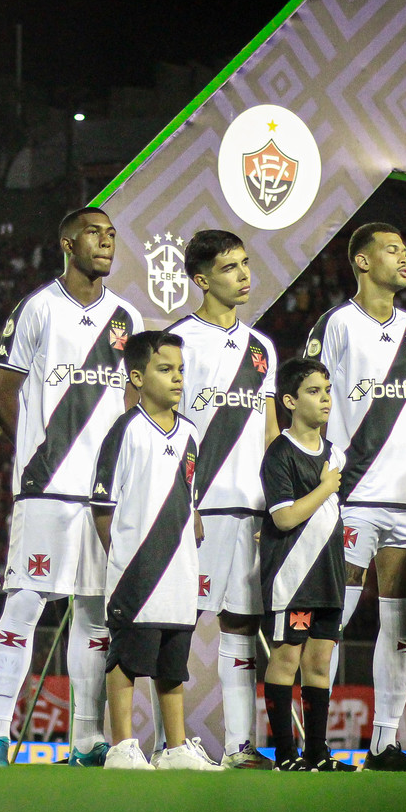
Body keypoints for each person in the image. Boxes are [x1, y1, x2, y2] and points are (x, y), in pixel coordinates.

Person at [0, 207, 141, 767]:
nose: (107, 242)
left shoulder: (126, 316)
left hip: (104, 494)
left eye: (112, 235)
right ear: (67, 242)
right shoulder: (38, 307)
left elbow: (130, 404)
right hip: (47, 486)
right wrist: (37, 452)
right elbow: (1, 391)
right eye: (95, 233)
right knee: (25, 602)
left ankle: (85, 738)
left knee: (95, 612)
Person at [305, 222, 406, 771]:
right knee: (333, 621)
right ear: (361, 261)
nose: (405, 257)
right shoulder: (336, 325)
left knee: (401, 628)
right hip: (352, 496)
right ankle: (316, 743)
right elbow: (311, 404)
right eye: (392, 249)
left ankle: (383, 742)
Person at [165, 229, 279, 768]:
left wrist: (276, 505)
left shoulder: (262, 348)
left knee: (240, 624)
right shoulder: (176, 343)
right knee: (179, 621)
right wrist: (178, 504)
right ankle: (172, 743)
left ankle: (239, 746)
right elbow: (160, 427)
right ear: (200, 279)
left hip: (252, 509)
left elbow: (273, 436)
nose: (244, 276)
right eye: (231, 267)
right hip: (197, 509)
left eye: (246, 264)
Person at [91, 330, 216, 771]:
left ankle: (175, 747)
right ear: (138, 377)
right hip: (137, 572)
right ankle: (122, 745)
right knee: (126, 659)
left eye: (181, 369)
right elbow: (103, 506)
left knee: (172, 663)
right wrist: (123, 560)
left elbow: (189, 498)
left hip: (180, 570)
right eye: (166, 370)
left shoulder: (191, 434)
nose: (178, 378)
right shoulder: (125, 431)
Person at [260, 359, 351, 772]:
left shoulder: (336, 454)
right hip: (293, 579)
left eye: (327, 389)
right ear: (291, 401)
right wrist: (325, 487)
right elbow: (283, 518)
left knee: (319, 664)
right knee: (287, 661)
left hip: (329, 577)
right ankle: (285, 755)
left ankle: (317, 753)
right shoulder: (279, 453)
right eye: (314, 391)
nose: (325, 398)